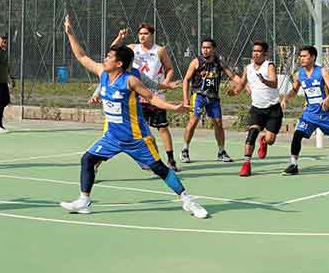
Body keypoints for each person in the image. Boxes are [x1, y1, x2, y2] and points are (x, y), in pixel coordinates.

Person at [60, 15, 208, 218]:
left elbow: (152, 98)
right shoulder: (103, 73)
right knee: (88, 159)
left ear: (119, 63)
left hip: (136, 137)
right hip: (112, 137)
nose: (105, 59)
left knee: (158, 168)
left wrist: (174, 107)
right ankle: (84, 201)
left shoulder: (130, 80)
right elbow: (82, 56)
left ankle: (188, 200)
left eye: (109, 57)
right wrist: (70, 33)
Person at [281, 46, 329, 176]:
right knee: (297, 135)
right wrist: (286, 98)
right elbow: (294, 90)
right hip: (309, 114)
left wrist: (327, 100)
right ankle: (293, 165)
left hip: (325, 113)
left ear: (312, 57)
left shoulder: (322, 72)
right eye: (301, 56)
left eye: (305, 56)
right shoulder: (299, 74)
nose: (302, 58)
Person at [110, 23, 180, 171]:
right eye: (140, 33)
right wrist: (120, 38)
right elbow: (113, 51)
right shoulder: (133, 48)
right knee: (141, 130)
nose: (142, 36)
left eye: (145, 33)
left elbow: (170, 68)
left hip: (155, 94)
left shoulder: (159, 50)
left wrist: (166, 82)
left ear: (152, 35)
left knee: (162, 128)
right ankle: (150, 160)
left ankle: (171, 160)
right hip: (137, 94)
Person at [180, 38, 241, 164]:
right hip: (199, 96)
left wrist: (245, 84)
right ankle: (185, 150)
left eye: (208, 48)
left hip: (213, 98)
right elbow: (186, 80)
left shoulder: (219, 62)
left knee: (218, 123)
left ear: (213, 49)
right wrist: (186, 99)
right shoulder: (196, 62)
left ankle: (221, 151)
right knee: (194, 121)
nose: (205, 50)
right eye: (203, 47)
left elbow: (233, 76)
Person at [227, 41, 282, 177]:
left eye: (259, 51)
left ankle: (263, 140)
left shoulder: (269, 66)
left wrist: (264, 81)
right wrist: (234, 92)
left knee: (270, 140)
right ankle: (246, 164)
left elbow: (274, 84)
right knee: (251, 133)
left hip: (272, 109)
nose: (255, 54)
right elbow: (242, 84)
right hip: (257, 109)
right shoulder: (248, 68)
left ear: (265, 54)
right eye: (254, 51)